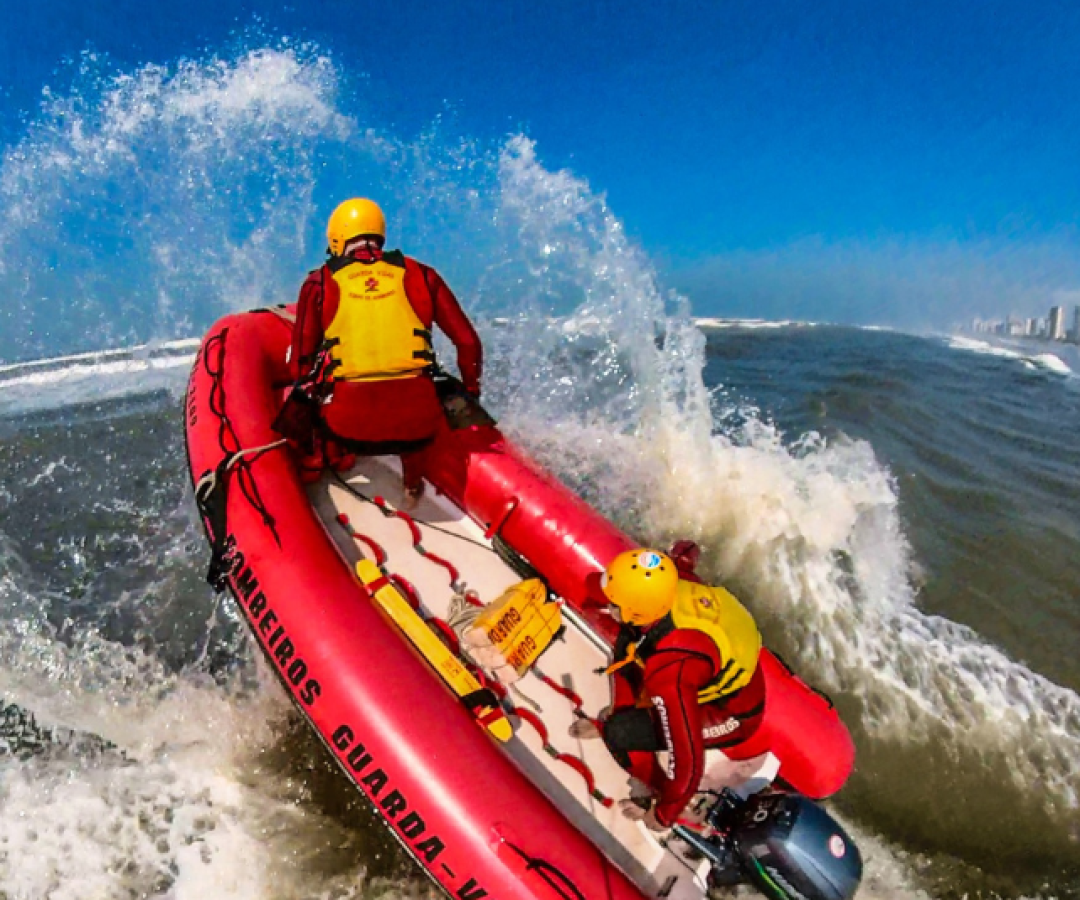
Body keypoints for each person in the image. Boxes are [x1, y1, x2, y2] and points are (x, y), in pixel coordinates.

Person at [287, 198, 482, 501]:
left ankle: (323, 459)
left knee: (312, 384)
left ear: (336, 239)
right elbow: (468, 343)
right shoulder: (423, 274)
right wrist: (471, 390)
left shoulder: (319, 282)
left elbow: (299, 365)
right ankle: (412, 486)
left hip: (347, 426)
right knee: (419, 388)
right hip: (418, 426)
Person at [576, 544, 772, 831]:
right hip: (708, 671)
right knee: (626, 645)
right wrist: (684, 551)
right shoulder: (672, 582)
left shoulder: (671, 672)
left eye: (612, 602)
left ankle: (653, 789)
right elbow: (685, 555)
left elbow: (687, 761)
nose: (606, 604)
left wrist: (663, 816)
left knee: (619, 732)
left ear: (635, 609)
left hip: (729, 714)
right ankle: (622, 718)